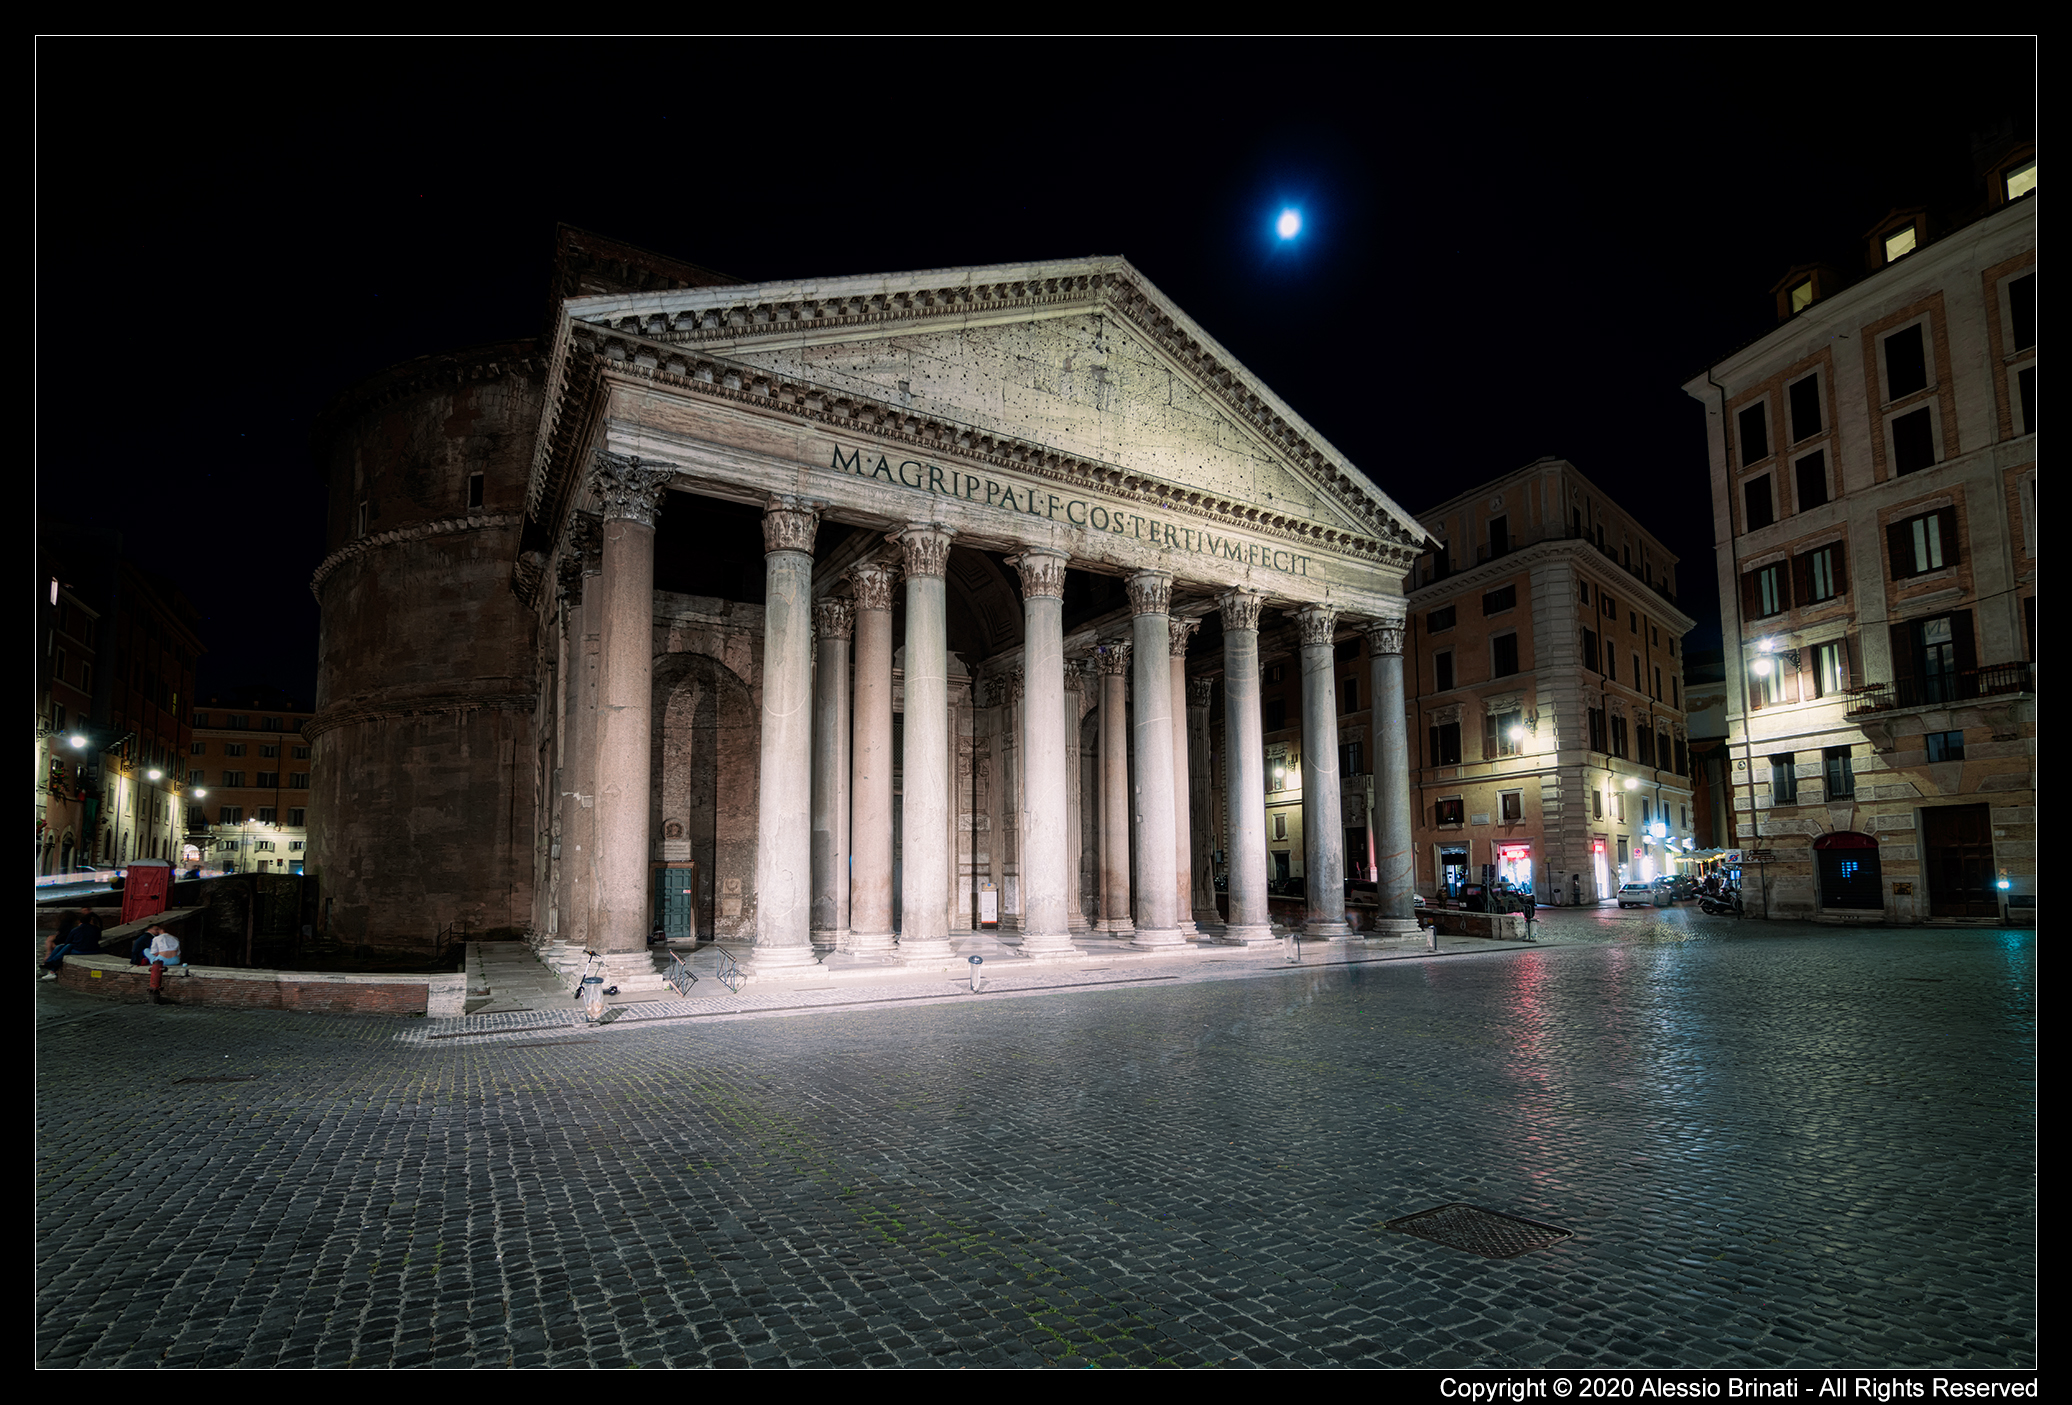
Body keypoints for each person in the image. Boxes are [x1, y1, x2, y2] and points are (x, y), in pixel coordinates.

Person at [41, 911, 104, 980]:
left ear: (80, 921)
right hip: (93, 949)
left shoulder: (75, 930)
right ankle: (51, 964)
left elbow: (68, 941)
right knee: (64, 946)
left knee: (66, 946)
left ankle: (51, 965)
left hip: (81, 951)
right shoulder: (96, 929)